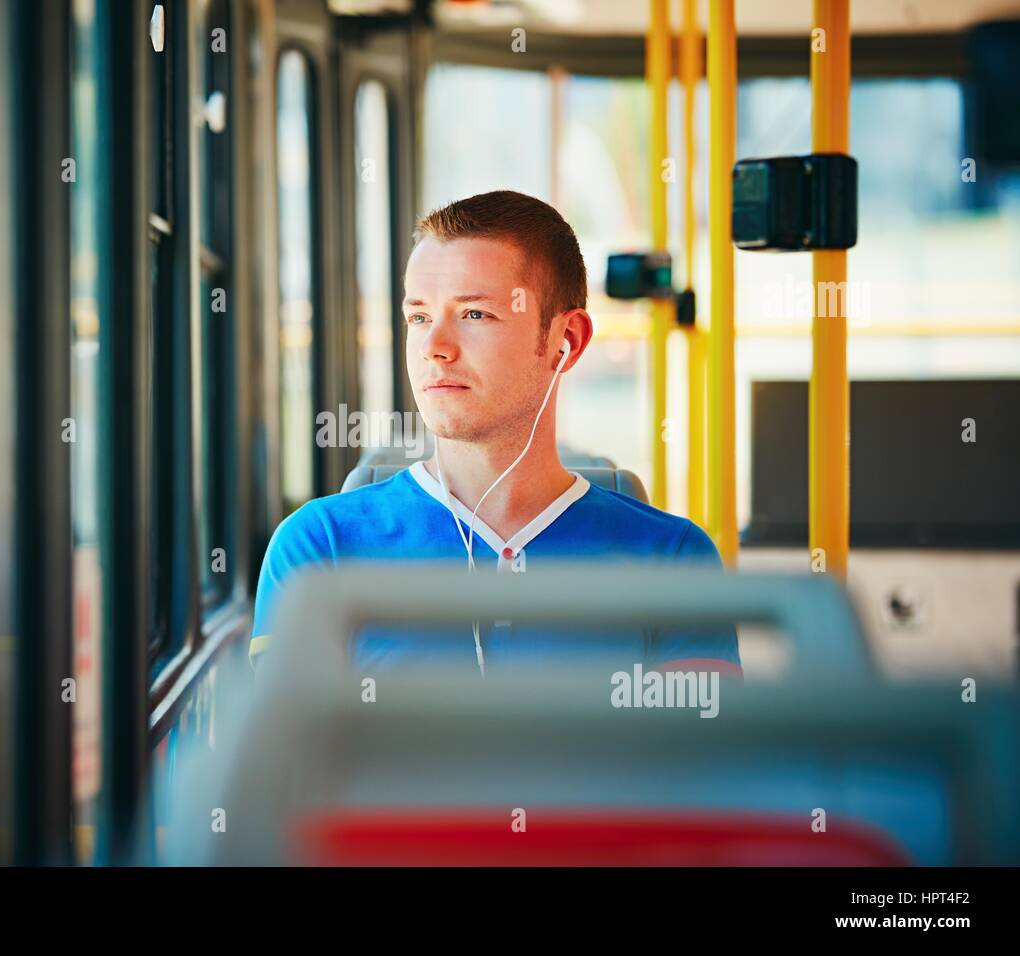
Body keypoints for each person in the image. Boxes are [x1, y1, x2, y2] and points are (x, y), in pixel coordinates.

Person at [250, 190, 740, 676]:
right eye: (419, 316)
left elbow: (704, 753)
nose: (434, 347)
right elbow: (284, 751)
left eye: (474, 314)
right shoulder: (320, 547)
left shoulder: (674, 560)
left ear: (565, 342)